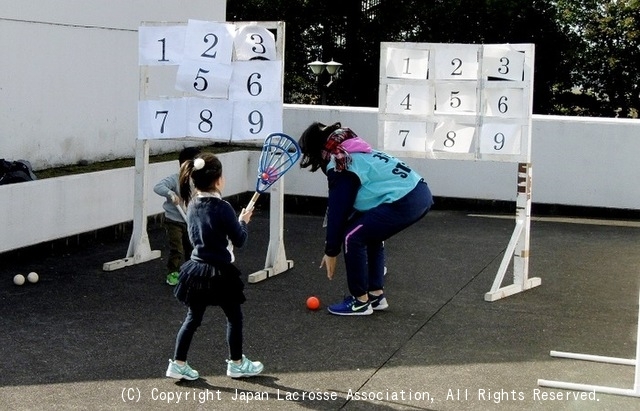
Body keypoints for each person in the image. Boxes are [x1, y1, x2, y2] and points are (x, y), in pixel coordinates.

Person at [298, 122, 434, 316]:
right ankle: (376, 295)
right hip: (419, 193)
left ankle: (360, 301)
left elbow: (338, 211)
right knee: (369, 234)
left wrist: (331, 251)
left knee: (352, 237)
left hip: (405, 200)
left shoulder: (340, 163)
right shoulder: (357, 151)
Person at [165, 152, 263, 380]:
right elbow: (240, 240)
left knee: (193, 318)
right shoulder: (224, 208)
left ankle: (178, 363)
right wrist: (243, 222)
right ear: (218, 180)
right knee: (234, 317)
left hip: (197, 270)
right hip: (221, 273)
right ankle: (236, 363)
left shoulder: (191, 205)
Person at [154, 147, 201, 285]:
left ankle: (190, 271)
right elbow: (158, 186)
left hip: (191, 221)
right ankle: (173, 272)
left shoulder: (199, 180)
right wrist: (171, 194)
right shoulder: (175, 179)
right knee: (177, 248)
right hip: (174, 221)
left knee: (191, 248)